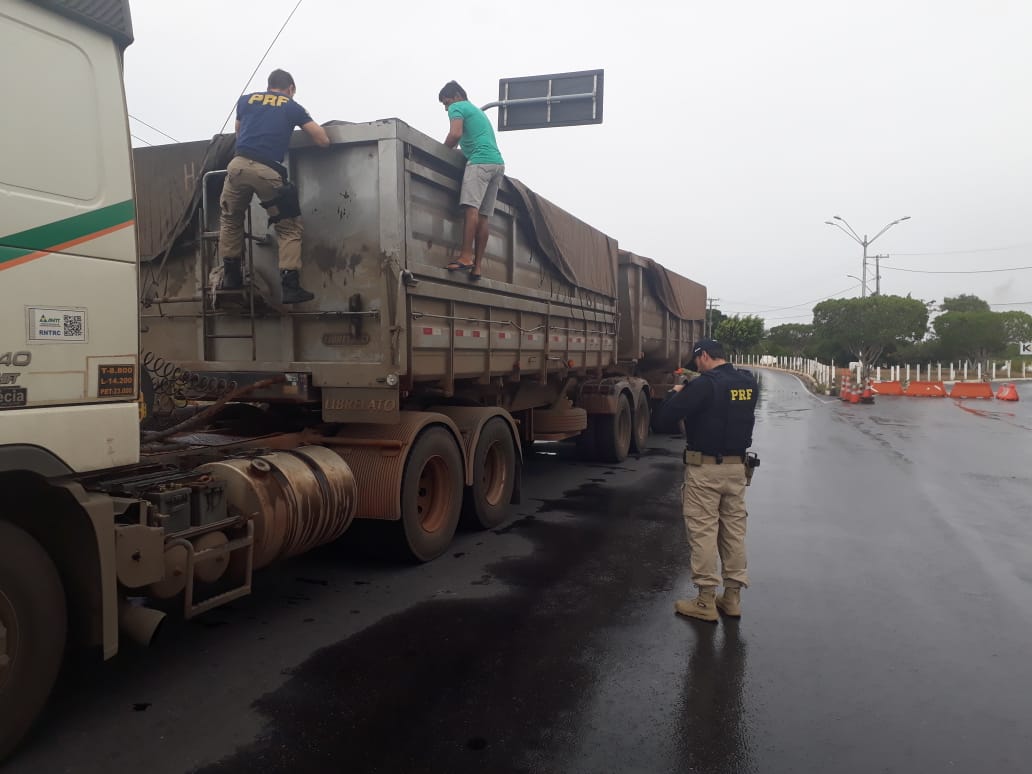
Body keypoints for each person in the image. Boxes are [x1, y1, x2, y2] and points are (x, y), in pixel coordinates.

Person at [656, 339, 759, 623]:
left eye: (696, 359)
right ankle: (733, 599)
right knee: (733, 532)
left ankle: (704, 601)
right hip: (738, 468)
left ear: (703, 356)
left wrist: (675, 393)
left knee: (703, 530)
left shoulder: (704, 384)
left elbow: (665, 419)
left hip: (705, 471)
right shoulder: (748, 383)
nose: (696, 365)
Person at [218, 68, 330, 304]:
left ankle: (231, 277)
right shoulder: (290, 105)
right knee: (289, 228)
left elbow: (239, 133)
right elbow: (322, 140)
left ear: (269, 85)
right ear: (291, 89)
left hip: (236, 166)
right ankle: (290, 287)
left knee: (230, 219)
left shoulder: (246, 100)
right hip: (267, 170)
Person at [438, 81, 505, 281]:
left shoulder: (458, 107)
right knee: (484, 216)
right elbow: (465, 138)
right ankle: (477, 266)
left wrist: (441, 152)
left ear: (457, 96)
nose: (447, 108)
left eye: (447, 102)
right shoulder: (478, 112)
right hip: (497, 165)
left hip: (479, 163)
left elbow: (455, 134)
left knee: (470, 208)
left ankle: (466, 257)